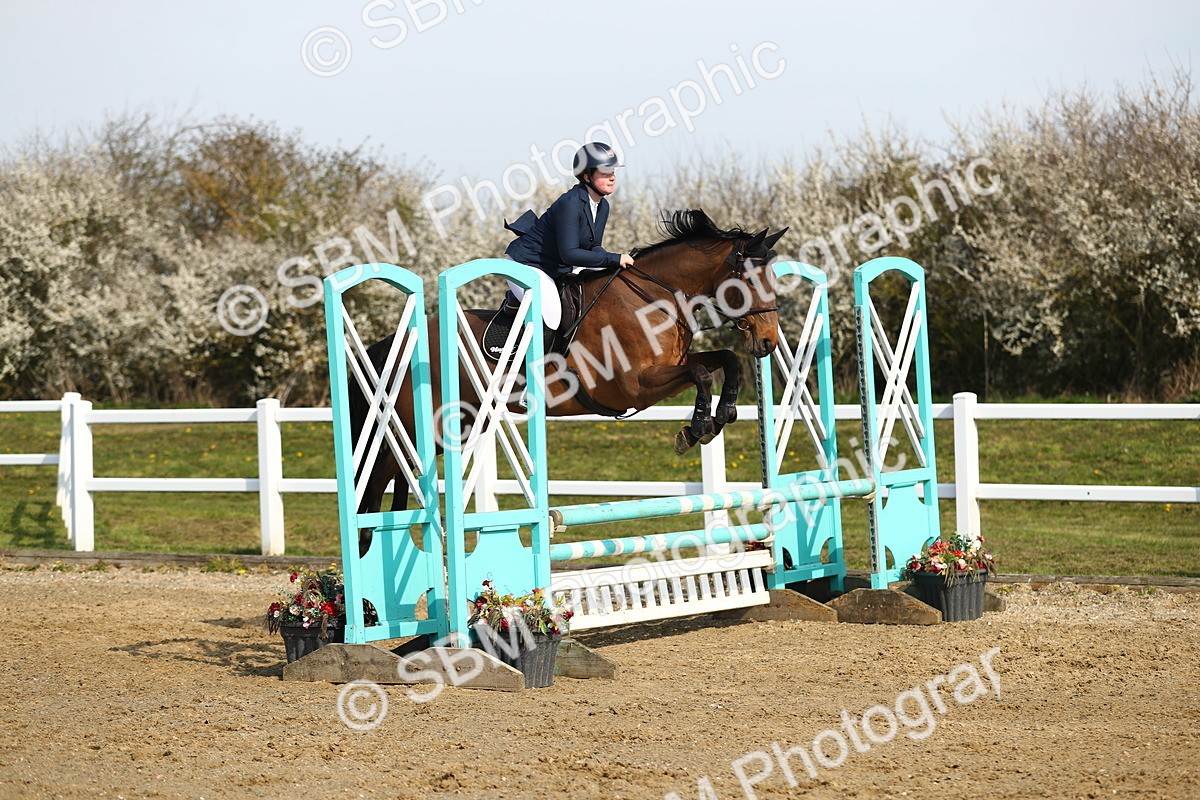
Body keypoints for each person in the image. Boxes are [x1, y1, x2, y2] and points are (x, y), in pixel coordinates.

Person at [502, 142, 635, 333]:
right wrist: (613, 258)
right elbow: (570, 254)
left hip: (556, 265)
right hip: (527, 264)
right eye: (605, 172)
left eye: (613, 171)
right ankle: (536, 361)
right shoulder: (570, 203)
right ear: (587, 176)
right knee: (552, 317)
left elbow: (593, 248)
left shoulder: (602, 206)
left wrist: (616, 263)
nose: (612, 177)